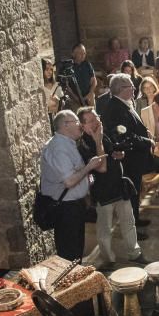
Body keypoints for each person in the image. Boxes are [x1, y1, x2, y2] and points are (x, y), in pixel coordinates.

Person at [77, 107, 145, 268]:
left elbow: (110, 154)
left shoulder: (102, 133)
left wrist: (118, 155)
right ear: (83, 125)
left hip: (119, 186)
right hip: (103, 190)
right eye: (91, 120)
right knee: (105, 229)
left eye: (96, 117)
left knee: (129, 222)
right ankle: (109, 259)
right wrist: (98, 140)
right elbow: (101, 168)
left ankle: (134, 253)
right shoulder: (83, 144)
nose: (96, 122)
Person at [39, 109, 105, 260]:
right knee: (70, 254)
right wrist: (89, 166)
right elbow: (69, 181)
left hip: (73, 207)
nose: (80, 126)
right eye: (77, 122)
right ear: (65, 125)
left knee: (76, 252)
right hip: (66, 209)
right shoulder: (58, 148)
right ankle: (70, 282)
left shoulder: (67, 143)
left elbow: (74, 172)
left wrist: (87, 180)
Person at [101, 74, 155, 229]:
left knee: (135, 192)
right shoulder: (116, 108)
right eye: (131, 86)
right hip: (128, 159)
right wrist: (148, 141)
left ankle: (135, 220)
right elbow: (126, 135)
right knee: (130, 195)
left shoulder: (123, 104)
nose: (134, 88)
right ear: (120, 89)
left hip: (134, 158)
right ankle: (132, 228)